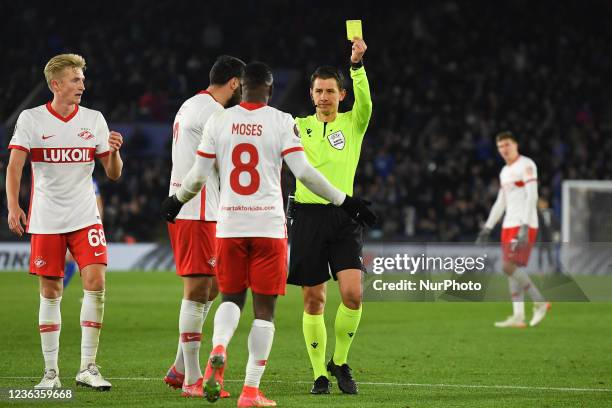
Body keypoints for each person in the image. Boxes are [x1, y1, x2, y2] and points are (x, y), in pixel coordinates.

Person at [161, 61, 375, 407]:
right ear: (271, 90)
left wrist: (176, 200)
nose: (322, 97)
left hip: (229, 225)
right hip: (270, 227)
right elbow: (304, 173)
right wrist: (347, 201)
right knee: (264, 311)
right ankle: (250, 391)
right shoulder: (282, 122)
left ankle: (218, 347)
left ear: (240, 88)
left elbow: (198, 175)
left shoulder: (219, 120)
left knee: (229, 298)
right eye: (318, 91)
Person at [5, 54, 123, 390]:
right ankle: (51, 374)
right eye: (75, 79)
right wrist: (13, 206)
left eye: (83, 79)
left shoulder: (94, 119)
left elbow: (113, 174)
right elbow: (14, 167)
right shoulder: (32, 119)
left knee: (96, 281)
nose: (82, 85)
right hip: (47, 219)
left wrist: (114, 151)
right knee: (51, 291)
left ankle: (88, 367)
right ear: (56, 84)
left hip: (86, 216)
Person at [287, 37, 372, 395]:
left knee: (353, 294)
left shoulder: (354, 123)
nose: (323, 97)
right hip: (306, 218)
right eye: (318, 91)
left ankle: (341, 360)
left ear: (341, 94)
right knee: (314, 300)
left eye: (330, 91)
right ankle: (320, 372)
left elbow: (365, 99)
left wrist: (357, 66)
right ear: (311, 94)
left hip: (344, 218)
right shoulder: (297, 126)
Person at [163, 55, 245, 398]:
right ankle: (194, 380)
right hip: (195, 210)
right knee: (197, 291)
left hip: (200, 209)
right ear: (235, 83)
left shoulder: (191, 105)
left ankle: (180, 367)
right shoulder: (213, 113)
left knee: (212, 287)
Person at [477, 131, 550, 327]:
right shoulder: (504, 172)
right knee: (511, 269)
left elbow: (532, 195)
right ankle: (518, 316)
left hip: (522, 223)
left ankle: (540, 302)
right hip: (508, 225)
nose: (504, 150)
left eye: (507, 145)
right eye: (500, 146)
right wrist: (488, 227)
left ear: (516, 144)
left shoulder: (526, 165)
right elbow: (501, 202)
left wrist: (525, 225)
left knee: (508, 267)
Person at [64, 179, 103, 288]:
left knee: (72, 258)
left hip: (83, 223)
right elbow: (99, 204)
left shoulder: (89, 180)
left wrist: (98, 224)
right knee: (68, 259)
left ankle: (61, 288)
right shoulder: (85, 179)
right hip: (70, 221)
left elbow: (98, 203)